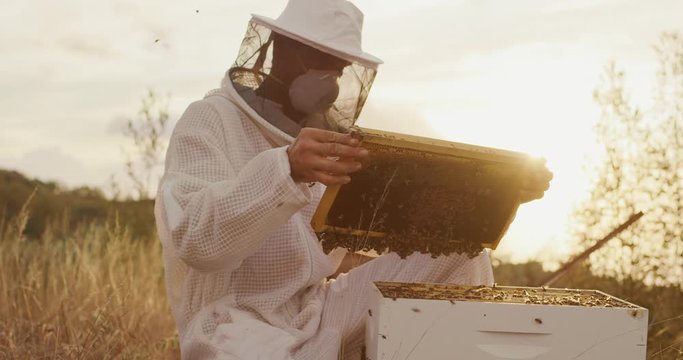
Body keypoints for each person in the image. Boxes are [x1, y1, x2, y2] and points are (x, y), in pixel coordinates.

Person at [154, 0, 553, 359]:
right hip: (233, 324)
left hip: (315, 310)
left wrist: (498, 195)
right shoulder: (210, 120)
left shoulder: (329, 142)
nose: (330, 81)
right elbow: (197, 241)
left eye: (339, 69)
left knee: (462, 255)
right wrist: (285, 169)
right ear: (279, 47)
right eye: (319, 61)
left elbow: (365, 240)